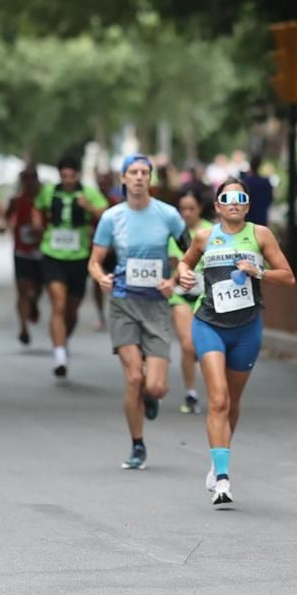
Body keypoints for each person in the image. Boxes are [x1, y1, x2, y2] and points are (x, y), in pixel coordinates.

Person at [176, 177, 295, 507]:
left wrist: (259, 272)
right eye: (226, 199)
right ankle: (224, 480)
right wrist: (184, 274)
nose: (233, 203)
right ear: (216, 206)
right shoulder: (204, 236)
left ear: (247, 205)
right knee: (217, 400)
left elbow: (288, 276)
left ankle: (218, 461)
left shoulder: (260, 235)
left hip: (247, 328)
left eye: (240, 198)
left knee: (233, 400)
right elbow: (185, 265)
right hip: (209, 324)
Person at [89, 154, 189, 470]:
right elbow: (94, 260)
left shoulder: (169, 215)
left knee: (157, 387)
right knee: (133, 377)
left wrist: (174, 279)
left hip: (157, 305)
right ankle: (137, 445)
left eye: (144, 172)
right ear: (123, 178)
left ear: (150, 179)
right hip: (123, 302)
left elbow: (191, 254)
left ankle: (150, 396)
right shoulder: (111, 217)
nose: (139, 177)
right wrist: (100, 277)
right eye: (133, 172)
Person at [36, 156, 110, 378]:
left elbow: (106, 215)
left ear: (77, 175)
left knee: (72, 308)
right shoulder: (49, 191)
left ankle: (63, 340)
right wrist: (38, 225)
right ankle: (59, 356)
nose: (67, 180)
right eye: (63, 176)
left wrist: (87, 207)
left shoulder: (88, 193)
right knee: (58, 305)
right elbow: (38, 208)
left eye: (71, 176)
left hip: (79, 256)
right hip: (53, 254)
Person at [169, 191, 214, 413]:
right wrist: (174, 278)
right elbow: (173, 264)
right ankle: (191, 393)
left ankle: (216, 393)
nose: (186, 213)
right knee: (187, 344)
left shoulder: (212, 231)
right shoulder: (175, 233)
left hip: (207, 297)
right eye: (182, 209)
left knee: (205, 347)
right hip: (181, 295)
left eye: (191, 209)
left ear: (200, 208)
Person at [7, 168, 46, 344]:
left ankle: (34, 302)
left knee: (38, 288)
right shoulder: (16, 201)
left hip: (42, 252)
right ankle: (23, 327)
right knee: (22, 289)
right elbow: (6, 218)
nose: (29, 184)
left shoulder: (45, 200)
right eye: (26, 181)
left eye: (32, 180)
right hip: (22, 251)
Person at [91, 164, 123, 331]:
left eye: (107, 183)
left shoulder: (115, 202)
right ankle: (100, 315)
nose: (103, 186)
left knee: (116, 281)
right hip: (98, 248)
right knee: (97, 282)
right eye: (101, 183)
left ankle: (117, 313)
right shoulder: (92, 201)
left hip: (114, 250)